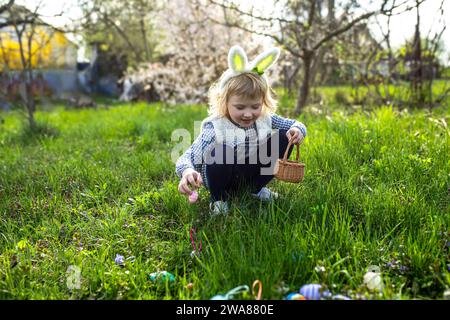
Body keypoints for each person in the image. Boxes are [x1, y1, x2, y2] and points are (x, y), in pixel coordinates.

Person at [175, 45, 307, 215]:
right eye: (239, 107)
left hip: (250, 173)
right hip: (224, 178)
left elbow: (294, 123)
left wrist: (298, 130)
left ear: (263, 102)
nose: (248, 113)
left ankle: (255, 189)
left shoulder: (264, 118)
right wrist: (187, 171)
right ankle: (219, 199)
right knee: (220, 152)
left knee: (283, 137)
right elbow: (187, 156)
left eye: (255, 106)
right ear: (225, 103)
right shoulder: (216, 126)